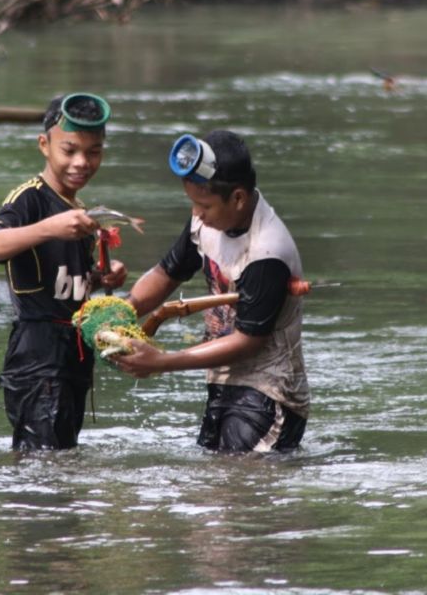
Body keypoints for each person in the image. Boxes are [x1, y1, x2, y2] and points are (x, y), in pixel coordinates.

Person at [112, 130, 309, 453]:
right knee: (215, 486)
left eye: (205, 205)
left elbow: (248, 341)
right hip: (224, 382)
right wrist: (121, 312)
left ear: (239, 198)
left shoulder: (267, 251)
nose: (197, 213)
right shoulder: (205, 220)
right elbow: (167, 271)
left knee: (238, 494)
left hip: (270, 395)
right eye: (192, 203)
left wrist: (161, 361)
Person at [0, 92, 127, 451]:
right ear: (44, 145)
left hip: (73, 355)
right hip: (38, 355)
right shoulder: (29, 198)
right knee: (43, 468)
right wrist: (49, 227)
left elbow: (66, 279)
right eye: (70, 150)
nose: (82, 162)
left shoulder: (78, 209)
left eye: (93, 152)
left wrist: (102, 276)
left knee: (59, 462)